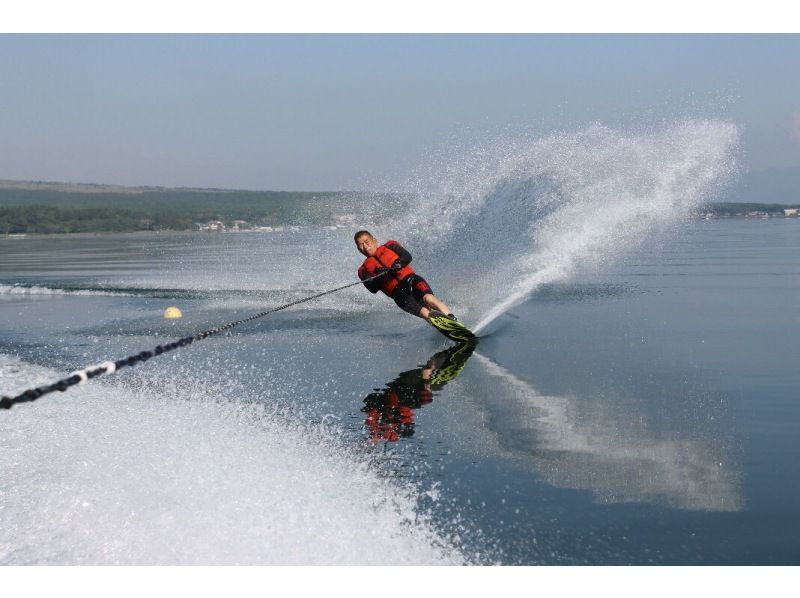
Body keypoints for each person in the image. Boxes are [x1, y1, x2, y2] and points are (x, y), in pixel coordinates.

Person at [354, 230, 457, 322]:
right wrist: (380, 277)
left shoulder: (390, 246)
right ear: (359, 250)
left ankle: (451, 318)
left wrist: (398, 264)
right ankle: (444, 328)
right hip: (398, 295)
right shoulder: (363, 270)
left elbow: (407, 257)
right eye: (361, 245)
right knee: (425, 313)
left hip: (412, 280)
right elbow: (372, 288)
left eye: (367, 242)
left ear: (374, 240)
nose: (365, 247)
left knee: (429, 299)